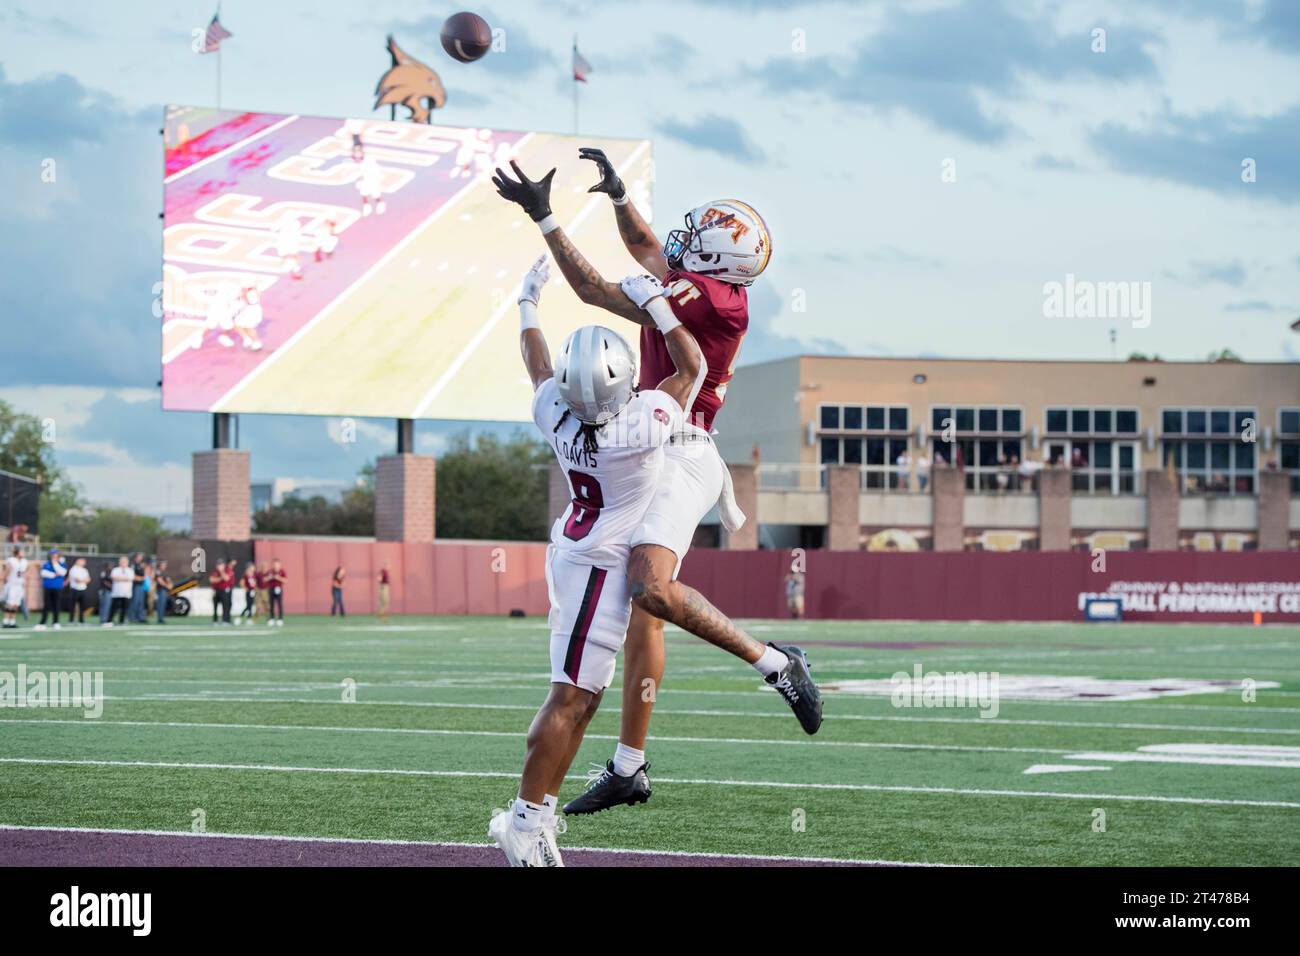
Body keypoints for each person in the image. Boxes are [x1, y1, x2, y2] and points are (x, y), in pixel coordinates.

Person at [494, 156, 820, 821]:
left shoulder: (710, 300)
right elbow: (649, 248)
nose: (680, 241)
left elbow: (592, 291)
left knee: (649, 585)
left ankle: (776, 664)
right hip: (651, 437)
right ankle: (629, 766)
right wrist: (617, 196)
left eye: (697, 243)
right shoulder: (704, 280)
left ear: (718, 269)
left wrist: (545, 217)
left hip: (681, 448)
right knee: (639, 606)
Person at [37, 548, 67, 630]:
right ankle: (43, 623)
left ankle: (56, 622)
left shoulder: (62, 564)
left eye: (55, 554)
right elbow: (43, 573)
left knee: (56, 605)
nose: (53, 556)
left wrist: (55, 564)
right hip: (48, 587)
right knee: (46, 605)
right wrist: (54, 575)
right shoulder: (46, 564)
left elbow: (62, 572)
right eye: (52, 554)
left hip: (57, 587)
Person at [2, 546, 27, 630]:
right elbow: (7, 570)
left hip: (19, 585)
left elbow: (23, 573)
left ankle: (12, 621)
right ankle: (6, 621)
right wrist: (3, 580)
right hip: (11, 584)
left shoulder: (24, 561)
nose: (23, 553)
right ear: (17, 552)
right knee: (10, 603)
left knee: (16, 604)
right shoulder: (11, 560)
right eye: (21, 551)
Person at [108, 556, 133, 626]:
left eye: (125, 562)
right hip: (116, 593)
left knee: (124, 608)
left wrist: (119, 578)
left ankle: (121, 621)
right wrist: (124, 578)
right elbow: (113, 577)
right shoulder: (115, 570)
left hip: (126, 593)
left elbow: (130, 578)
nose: (123, 563)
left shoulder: (130, 570)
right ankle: (109, 621)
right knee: (113, 608)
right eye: (122, 562)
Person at [67, 557, 91, 625]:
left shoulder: (85, 570)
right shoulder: (73, 569)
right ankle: (71, 621)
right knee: (72, 606)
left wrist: (83, 581)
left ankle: (81, 621)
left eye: (83, 561)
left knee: (82, 606)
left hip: (83, 589)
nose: (83, 563)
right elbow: (77, 580)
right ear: (77, 562)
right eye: (81, 561)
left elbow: (89, 579)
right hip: (74, 589)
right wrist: (84, 580)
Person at [210, 559, 232, 625]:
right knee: (215, 606)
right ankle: (215, 621)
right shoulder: (215, 571)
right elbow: (212, 580)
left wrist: (221, 572)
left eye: (220, 564)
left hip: (224, 591)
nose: (219, 566)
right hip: (216, 590)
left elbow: (226, 578)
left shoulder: (227, 570)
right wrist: (220, 579)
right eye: (218, 564)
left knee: (225, 606)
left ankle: (225, 621)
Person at [128, 552, 147, 624]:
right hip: (135, 585)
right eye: (140, 556)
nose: (141, 557)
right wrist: (141, 578)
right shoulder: (133, 565)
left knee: (140, 602)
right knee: (134, 602)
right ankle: (132, 617)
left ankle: (140, 617)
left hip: (141, 585)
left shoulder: (140, 565)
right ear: (136, 557)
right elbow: (132, 575)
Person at [267, 558, 286, 627]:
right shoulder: (270, 571)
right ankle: (271, 619)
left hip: (278, 589)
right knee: (271, 604)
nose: (276, 566)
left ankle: (280, 619)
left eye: (277, 564)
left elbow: (285, 580)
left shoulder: (282, 571)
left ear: (279, 565)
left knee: (279, 604)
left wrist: (278, 577)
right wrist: (271, 577)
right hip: (271, 589)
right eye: (274, 564)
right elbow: (265, 579)